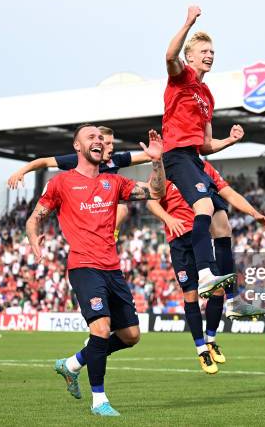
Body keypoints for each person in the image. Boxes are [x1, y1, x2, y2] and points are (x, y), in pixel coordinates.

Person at [26, 124, 165, 416]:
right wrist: (34, 239)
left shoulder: (113, 182)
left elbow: (155, 192)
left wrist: (157, 160)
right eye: (92, 137)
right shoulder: (61, 182)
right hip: (83, 266)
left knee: (130, 336)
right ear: (77, 147)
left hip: (112, 269)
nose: (99, 141)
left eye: (101, 138)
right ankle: (99, 400)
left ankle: (73, 364)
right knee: (100, 330)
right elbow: (34, 218)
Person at [147, 160, 265, 373]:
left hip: (202, 240)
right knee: (191, 296)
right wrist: (168, 219)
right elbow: (151, 201)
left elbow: (230, 194)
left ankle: (211, 340)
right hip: (179, 240)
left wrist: (253, 212)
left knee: (218, 289)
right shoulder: (168, 169)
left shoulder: (204, 167)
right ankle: (201, 350)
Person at [163, 5, 245, 296]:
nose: (210, 56)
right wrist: (187, 22)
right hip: (176, 155)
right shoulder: (181, 76)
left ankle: (232, 297)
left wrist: (230, 141)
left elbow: (206, 145)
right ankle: (206, 273)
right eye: (204, 51)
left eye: (212, 52)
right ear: (191, 56)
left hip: (194, 158)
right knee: (205, 207)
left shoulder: (207, 96)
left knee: (222, 224)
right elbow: (170, 56)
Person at [9, 126, 151, 237]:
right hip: (84, 206)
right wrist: (22, 171)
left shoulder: (115, 160)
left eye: (112, 143)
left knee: (122, 208)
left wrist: (165, 149)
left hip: (104, 207)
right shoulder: (80, 159)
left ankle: (111, 237)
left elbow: (145, 156)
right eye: (107, 143)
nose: (112, 147)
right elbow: (45, 161)